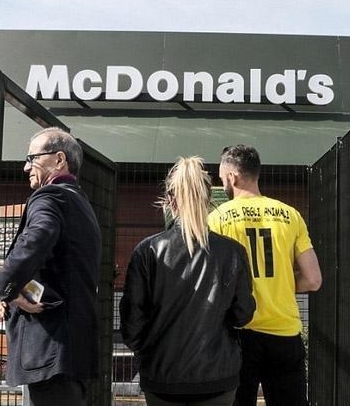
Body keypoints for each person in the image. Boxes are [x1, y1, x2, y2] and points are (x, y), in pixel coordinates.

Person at [120, 157, 256, 406]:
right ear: (208, 201)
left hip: (162, 377)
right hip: (217, 376)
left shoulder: (147, 251)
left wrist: (149, 350)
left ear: (170, 201)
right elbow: (243, 314)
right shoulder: (232, 252)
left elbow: (132, 323)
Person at [0, 127, 101, 406]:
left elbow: (38, 237)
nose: (26, 166)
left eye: (32, 158)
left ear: (59, 159)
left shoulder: (49, 197)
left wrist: (5, 287)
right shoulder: (80, 203)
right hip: (72, 347)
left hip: (50, 345)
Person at [207, 145, 322, 406]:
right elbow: (314, 280)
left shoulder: (217, 218)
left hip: (238, 332)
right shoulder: (290, 215)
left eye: (222, 177)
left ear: (232, 177)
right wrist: (281, 283)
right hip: (284, 332)